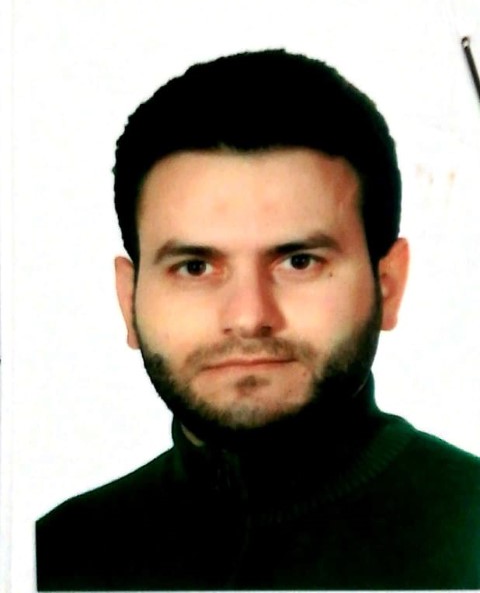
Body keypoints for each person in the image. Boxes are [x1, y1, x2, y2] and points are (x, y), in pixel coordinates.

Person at [36, 49, 480, 591]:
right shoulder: (45, 559)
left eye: (299, 262)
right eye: (195, 267)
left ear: (388, 284)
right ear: (128, 298)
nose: (249, 317)